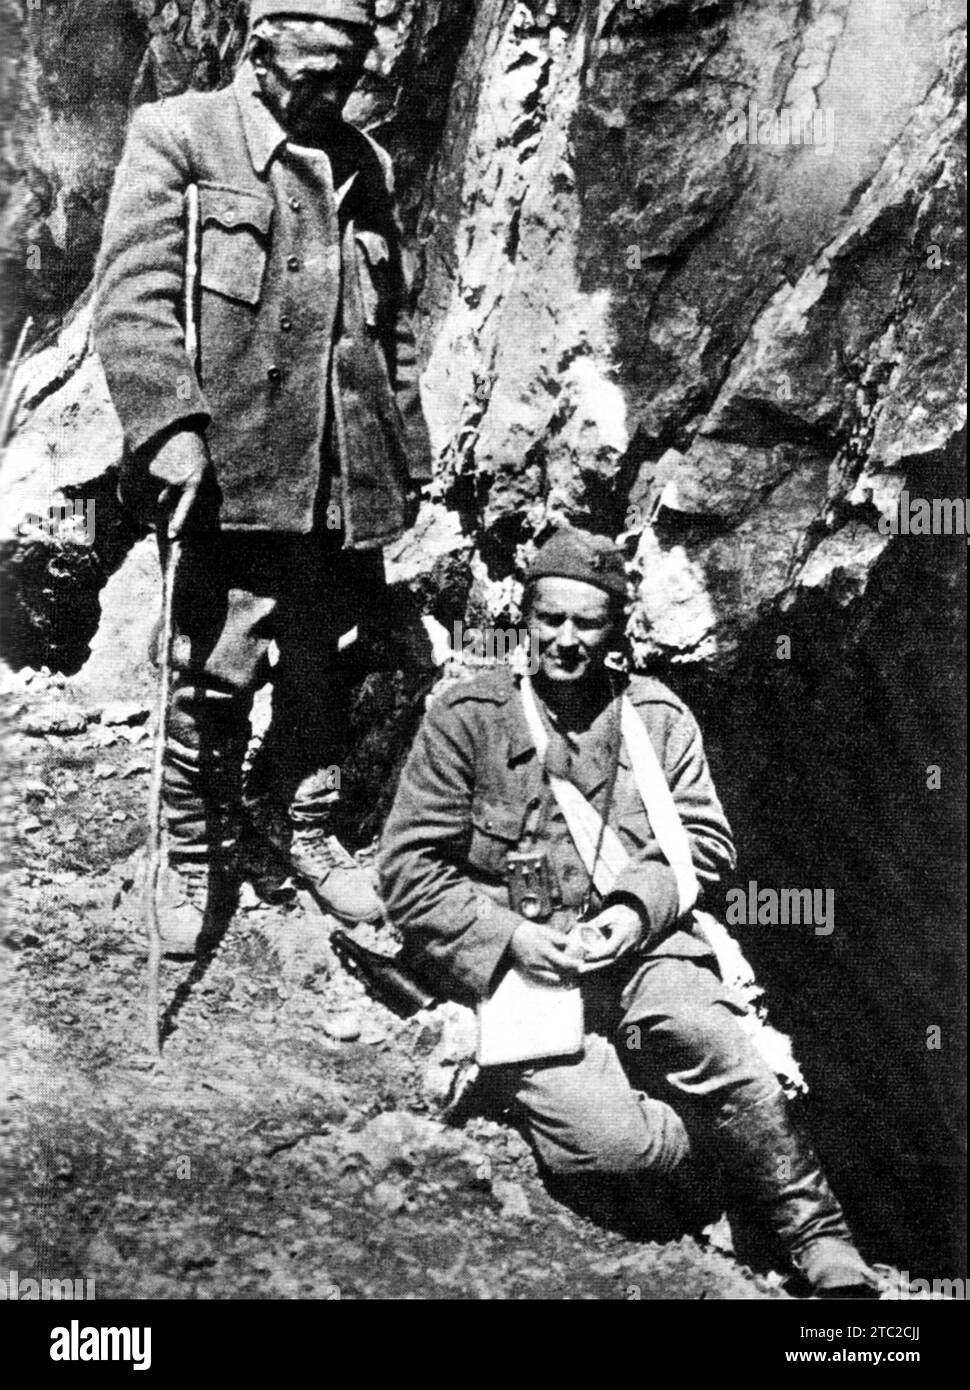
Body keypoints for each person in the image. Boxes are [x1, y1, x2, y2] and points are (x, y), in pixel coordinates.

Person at [378, 526, 880, 1297]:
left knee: (713, 1038)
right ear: (526, 616)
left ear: (617, 628)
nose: (566, 641)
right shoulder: (468, 717)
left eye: (588, 624)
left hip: (640, 946)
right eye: (551, 620)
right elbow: (409, 871)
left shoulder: (657, 718)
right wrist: (511, 939)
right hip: (522, 971)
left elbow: (705, 840)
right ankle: (719, 1161)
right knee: (617, 1149)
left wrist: (630, 914)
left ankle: (819, 1239)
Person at [93, 1, 432, 952]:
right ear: (259, 51)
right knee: (213, 666)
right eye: (315, 72)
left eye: (350, 74)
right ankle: (192, 851)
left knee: (325, 657)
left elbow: (389, 326)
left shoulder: (369, 164)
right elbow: (133, 302)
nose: (333, 93)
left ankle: (304, 826)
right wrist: (167, 428)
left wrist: (406, 451)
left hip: (341, 470)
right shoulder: (180, 136)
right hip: (233, 469)